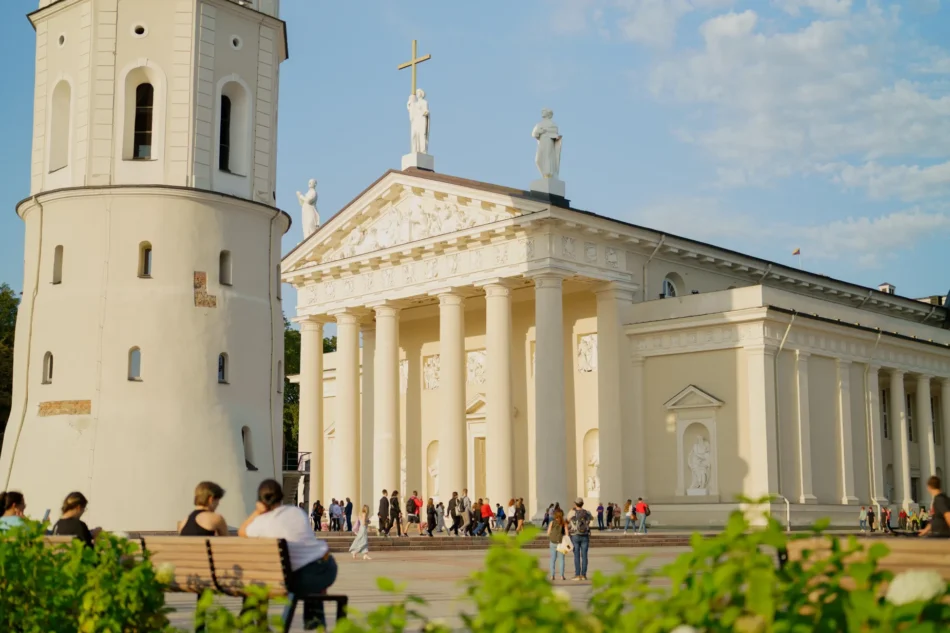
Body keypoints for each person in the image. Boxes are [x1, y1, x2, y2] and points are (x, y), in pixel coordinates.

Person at [239, 479, 337, 630]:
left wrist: (257, 512)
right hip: (321, 570)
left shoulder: (259, 524)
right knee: (313, 573)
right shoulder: (296, 512)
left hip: (284, 579)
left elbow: (241, 531)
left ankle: (260, 624)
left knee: (302, 571)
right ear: (281, 496)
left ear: (260, 500)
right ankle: (315, 622)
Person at [568, 497, 592, 581]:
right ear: (582, 504)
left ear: (575, 504)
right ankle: (584, 575)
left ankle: (577, 575)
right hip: (585, 535)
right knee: (584, 556)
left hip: (575, 535)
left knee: (576, 555)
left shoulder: (572, 512)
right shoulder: (587, 512)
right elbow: (591, 519)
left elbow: (567, 520)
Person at [547, 507, 568, 582]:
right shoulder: (564, 523)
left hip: (552, 542)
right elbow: (567, 534)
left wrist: (552, 536)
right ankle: (562, 576)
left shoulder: (552, 522)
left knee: (552, 559)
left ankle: (552, 576)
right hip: (561, 543)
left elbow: (548, 532)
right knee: (561, 560)